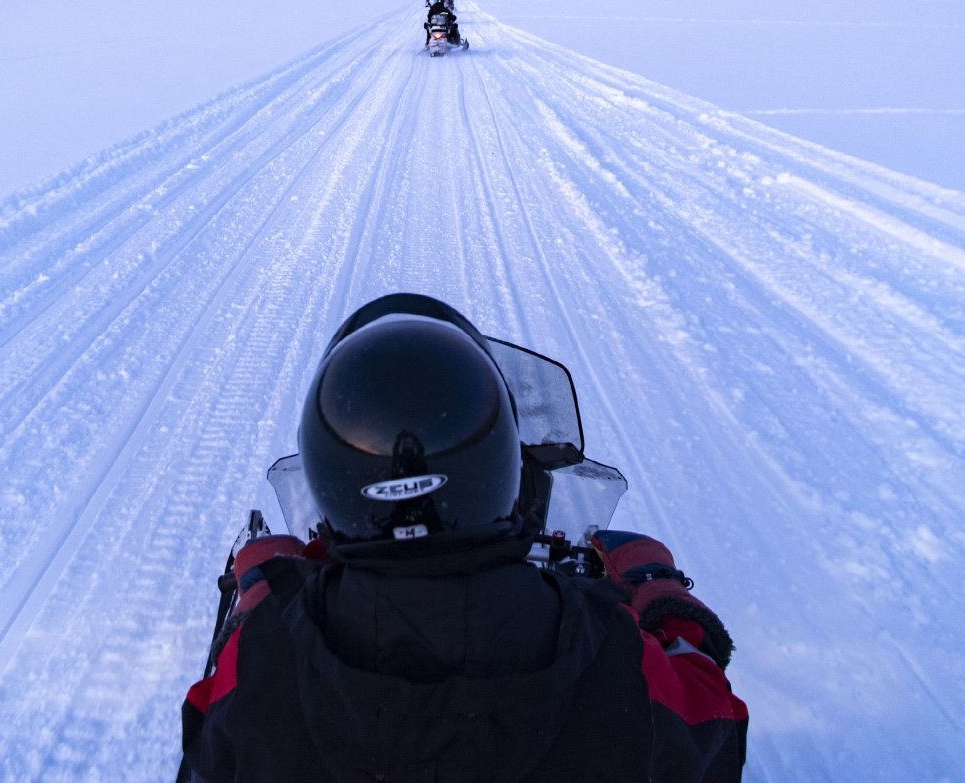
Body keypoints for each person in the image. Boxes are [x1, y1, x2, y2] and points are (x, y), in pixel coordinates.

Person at [180, 295, 747, 781]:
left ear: (331, 476)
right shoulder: (611, 655)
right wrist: (665, 597)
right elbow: (714, 722)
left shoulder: (258, 673)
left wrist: (258, 599)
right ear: (502, 462)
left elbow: (207, 746)